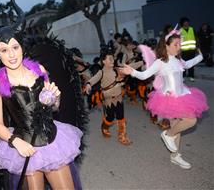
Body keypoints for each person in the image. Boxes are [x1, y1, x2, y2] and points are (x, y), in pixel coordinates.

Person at [0, 0, 83, 189]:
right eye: (4, 50)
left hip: (53, 142)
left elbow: (54, 107)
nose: (11, 55)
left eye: (15, 47)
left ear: (22, 47)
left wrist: (55, 99)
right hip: (24, 146)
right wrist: (16, 142)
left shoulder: (39, 70)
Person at [119, 28, 209, 169]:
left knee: (177, 127)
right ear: (166, 46)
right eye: (176, 45)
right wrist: (132, 72)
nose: (179, 48)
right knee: (190, 120)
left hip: (183, 95)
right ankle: (167, 135)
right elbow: (144, 75)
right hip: (169, 98)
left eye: (179, 45)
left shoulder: (178, 60)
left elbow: (188, 64)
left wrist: (200, 57)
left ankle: (175, 156)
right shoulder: (160, 62)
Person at [84, 47, 132, 145]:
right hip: (109, 100)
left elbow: (128, 70)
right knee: (110, 117)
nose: (112, 60)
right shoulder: (101, 72)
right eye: (110, 59)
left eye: (113, 58)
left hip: (119, 98)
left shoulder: (116, 69)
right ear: (103, 61)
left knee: (121, 117)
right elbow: (94, 79)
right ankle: (104, 127)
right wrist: (89, 84)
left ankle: (122, 136)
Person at [179, 17, 198, 81]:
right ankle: (183, 77)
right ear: (182, 23)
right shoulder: (180, 31)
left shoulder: (192, 29)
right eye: (185, 22)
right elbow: (178, 41)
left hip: (192, 50)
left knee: (191, 64)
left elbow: (196, 38)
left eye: (187, 21)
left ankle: (191, 76)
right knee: (183, 64)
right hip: (183, 51)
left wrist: (197, 47)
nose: (186, 23)